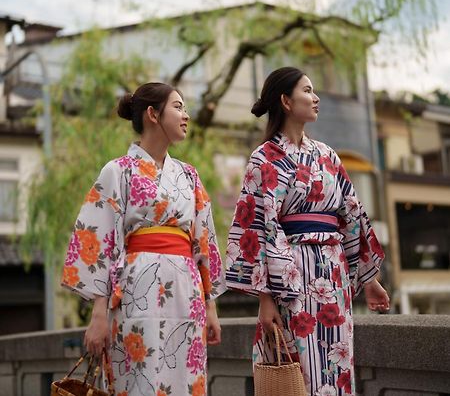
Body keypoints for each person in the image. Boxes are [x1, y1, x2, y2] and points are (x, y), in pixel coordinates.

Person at [225, 67, 389, 395]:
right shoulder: (264, 158)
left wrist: (369, 280)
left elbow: (352, 215)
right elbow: (258, 228)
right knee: (300, 368)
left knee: (336, 364)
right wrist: (265, 298)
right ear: (286, 101)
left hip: (333, 272)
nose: (316, 98)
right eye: (308, 91)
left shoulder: (327, 156)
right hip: (291, 276)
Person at [62, 82, 227, 396]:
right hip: (136, 291)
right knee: (138, 380)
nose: (186, 115)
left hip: (185, 293)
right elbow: (100, 242)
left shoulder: (189, 176)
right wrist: (98, 315)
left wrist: (211, 307)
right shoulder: (117, 172)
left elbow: (203, 241)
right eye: (178, 107)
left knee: (186, 381)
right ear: (153, 114)